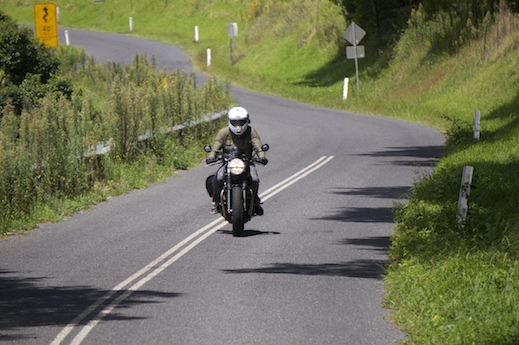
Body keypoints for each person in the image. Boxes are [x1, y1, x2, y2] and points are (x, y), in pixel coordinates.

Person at [206, 106, 268, 215]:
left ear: (247, 121)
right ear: (230, 121)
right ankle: (216, 203)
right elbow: (216, 145)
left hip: (246, 163)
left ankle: (255, 201)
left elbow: (258, 145)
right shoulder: (223, 132)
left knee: (254, 178)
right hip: (228, 163)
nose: (238, 126)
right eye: (235, 122)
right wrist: (211, 156)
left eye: (241, 122)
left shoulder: (251, 131)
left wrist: (261, 156)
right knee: (218, 178)